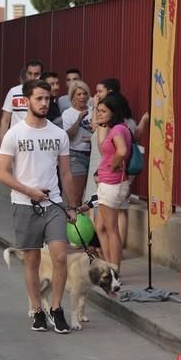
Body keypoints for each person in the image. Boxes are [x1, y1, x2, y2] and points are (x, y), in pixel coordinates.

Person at [0, 79, 79, 334]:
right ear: (27, 101)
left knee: (60, 257)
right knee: (31, 261)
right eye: (39, 98)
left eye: (47, 99)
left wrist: (72, 206)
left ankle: (56, 308)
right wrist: (29, 191)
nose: (44, 103)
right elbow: (2, 173)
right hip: (24, 204)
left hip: (54, 204)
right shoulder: (14, 134)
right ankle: (36, 309)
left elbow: (65, 173)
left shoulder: (58, 134)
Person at [89, 79, 149, 246]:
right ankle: (117, 250)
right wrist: (144, 120)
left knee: (107, 226)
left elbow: (104, 149)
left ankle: (111, 255)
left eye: (100, 91)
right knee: (120, 212)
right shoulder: (126, 123)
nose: (97, 95)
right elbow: (135, 136)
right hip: (123, 176)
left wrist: (112, 164)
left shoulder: (110, 126)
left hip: (110, 176)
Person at [94, 93, 132, 276]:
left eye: (103, 111)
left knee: (112, 230)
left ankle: (114, 271)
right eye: (98, 110)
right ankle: (110, 267)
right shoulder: (121, 128)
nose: (99, 114)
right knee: (102, 227)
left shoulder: (117, 130)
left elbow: (122, 151)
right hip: (112, 183)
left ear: (113, 112)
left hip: (111, 183)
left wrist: (113, 165)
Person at [61, 80, 93, 209]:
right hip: (76, 155)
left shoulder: (94, 110)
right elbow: (68, 136)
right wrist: (79, 120)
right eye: (79, 94)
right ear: (72, 96)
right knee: (76, 196)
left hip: (94, 154)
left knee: (92, 196)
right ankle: (74, 225)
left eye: (85, 94)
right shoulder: (68, 114)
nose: (82, 97)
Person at [0, 59, 44, 143]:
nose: (33, 77)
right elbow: (5, 120)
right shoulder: (14, 92)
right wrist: (2, 146)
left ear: (41, 75)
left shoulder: (45, 94)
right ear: (26, 74)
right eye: (30, 73)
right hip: (15, 141)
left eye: (36, 74)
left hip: (37, 142)